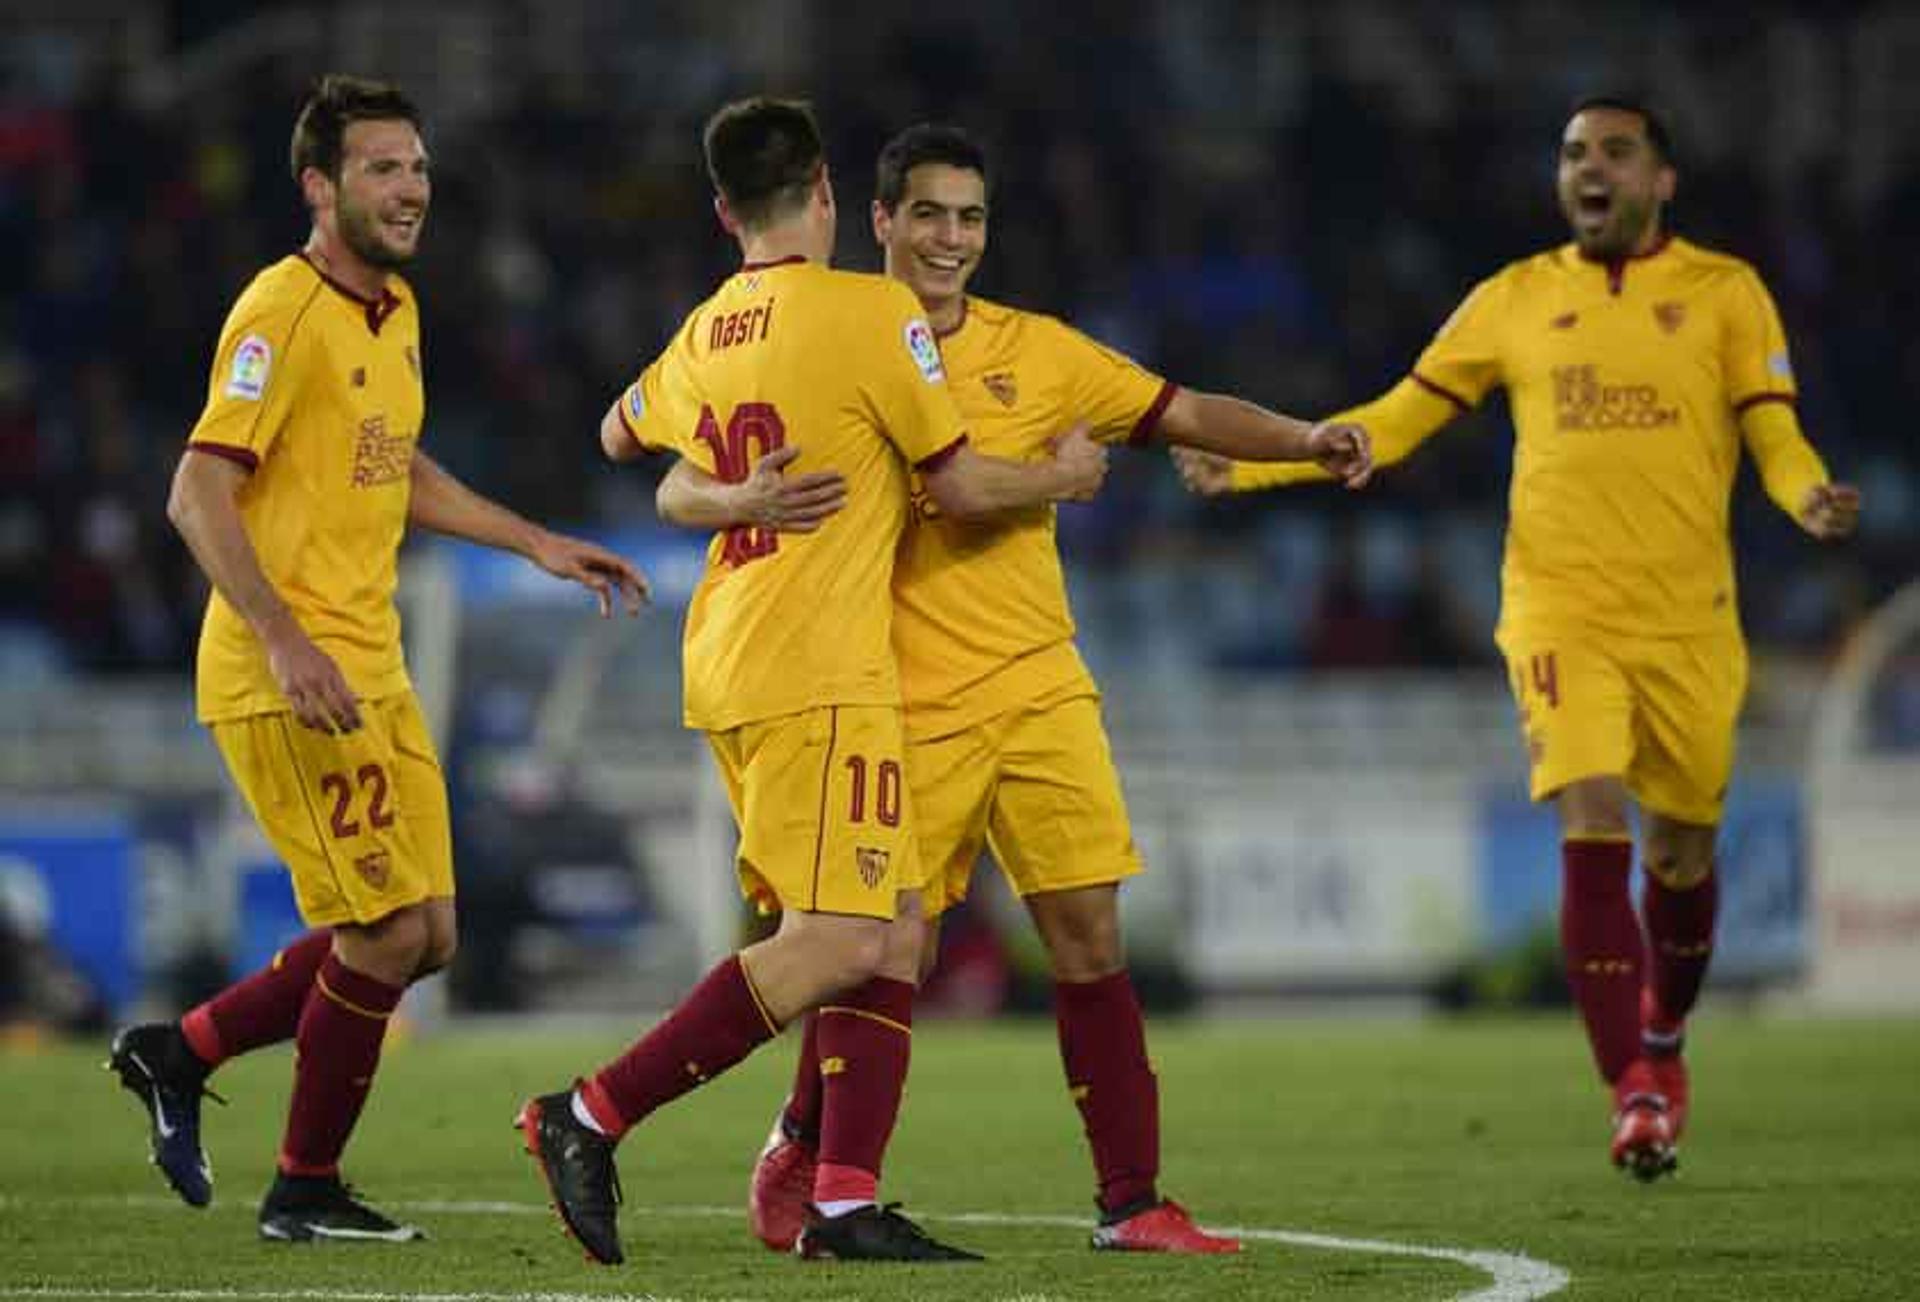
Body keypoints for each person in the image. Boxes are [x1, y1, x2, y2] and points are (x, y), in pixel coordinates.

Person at [658, 123, 1370, 1254]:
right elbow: (687, 471)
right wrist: (1053, 480)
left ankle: (1132, 1202)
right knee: (882, 950)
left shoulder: (1039, 351)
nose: (951, 238)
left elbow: (1181, 410)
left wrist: (1306, 437)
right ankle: (818, 1158)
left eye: (971, 217)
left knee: (1089, 934)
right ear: (877, 219)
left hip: (1038, 685)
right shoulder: (828, 333)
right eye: (929, 214)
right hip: (893, 694)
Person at [1176, 97, 1861, 1181]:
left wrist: (1808, 495)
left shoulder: (1727, 293)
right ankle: (1630, 1088)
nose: (1590, 169)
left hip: (1691, 622)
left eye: (1616, 152)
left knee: (1681, 858)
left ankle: (1666, 1038)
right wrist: (1260, 462)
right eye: (1574, 153)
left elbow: (1771, 431)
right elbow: (1399, 417)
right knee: (1591, 812)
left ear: (1662, 180)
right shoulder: (1515, 298)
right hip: (1559, 607)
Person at [516, 98, 1109, 1268]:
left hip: (730, 653)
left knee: (892, 930)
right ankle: (588, 1115)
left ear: (726, 211)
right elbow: (964, 487)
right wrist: (1066, 472)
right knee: (843, 940)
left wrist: (727, 497)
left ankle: (841, 1202)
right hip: (821, 667)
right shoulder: (875, 312)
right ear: (830, 194)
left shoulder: (709, 327)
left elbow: (618, 441)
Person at [106, 74, 649, 1243]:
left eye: (417, 167)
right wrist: (285, 636)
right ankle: (304, 1185)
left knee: (432, 936)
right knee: (388, 933)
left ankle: (178, 1052)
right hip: (287, 674)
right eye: (382, 169)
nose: (411, 189)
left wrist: (535, 539)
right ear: (319, 186)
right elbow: (196, 493)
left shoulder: (394, 308)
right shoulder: (277, 311)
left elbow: (393, 463)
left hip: (373, 662)